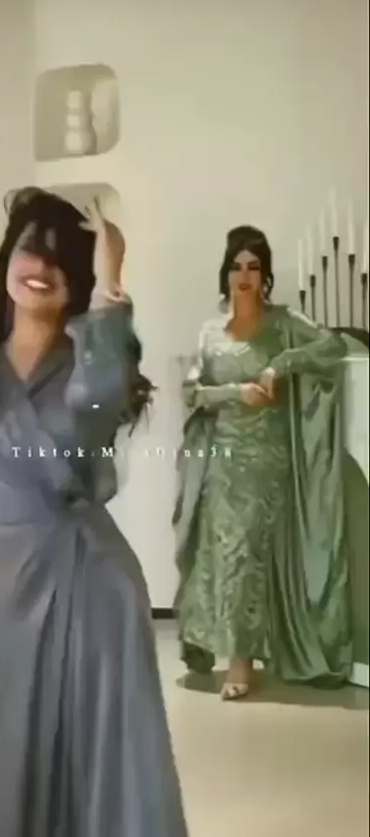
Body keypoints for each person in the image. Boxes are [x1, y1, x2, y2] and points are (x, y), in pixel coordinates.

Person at [0, 191, 188, 837]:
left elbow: (98, 407)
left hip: (91, 589)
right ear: (8, 261)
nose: (43, 267)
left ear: (76, 280)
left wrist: (111, 285)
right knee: (1, 771)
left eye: (62, 260)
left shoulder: (91, 365)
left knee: (106, 770)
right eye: (31, 249)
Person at [173, 224, 354, 700]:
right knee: (220, 556)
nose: (245, 275)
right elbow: (191, 392)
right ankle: (223, 651)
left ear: (265, 274)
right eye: (237, 266)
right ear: (226, 273)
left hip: (268, 462)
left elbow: (332, 346)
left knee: (246, 555)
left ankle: (241, 663)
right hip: (222, 460)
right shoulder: (211, 331)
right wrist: (236, 391)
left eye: (254, 267)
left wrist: (281, 364)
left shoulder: (283, 321)